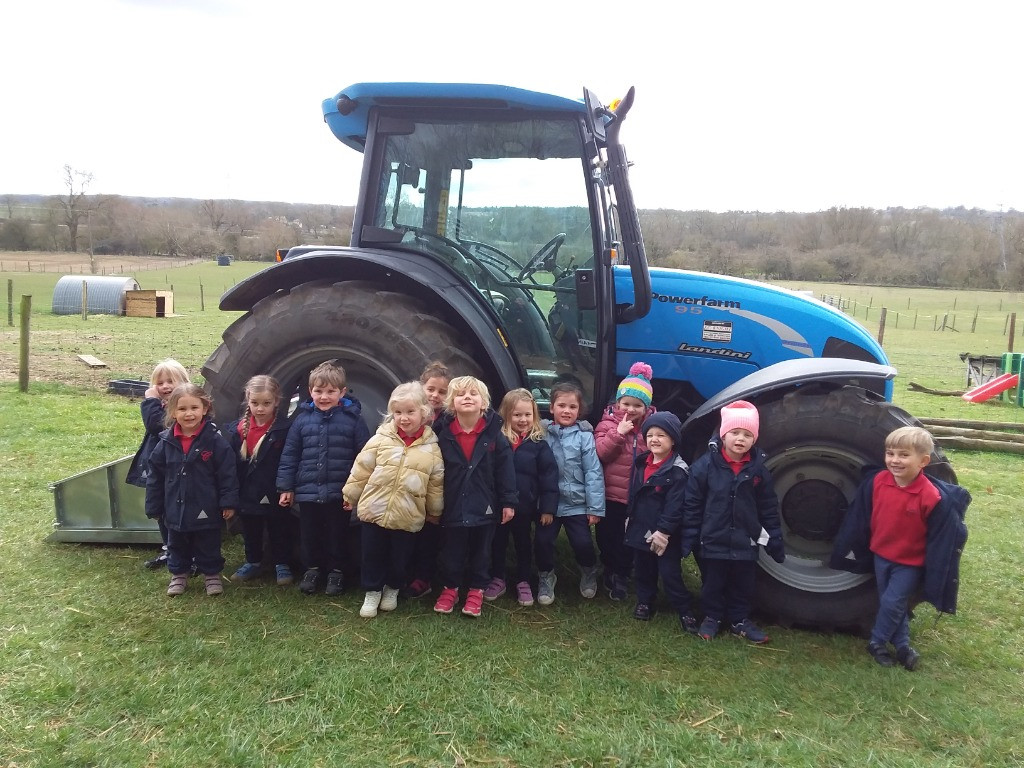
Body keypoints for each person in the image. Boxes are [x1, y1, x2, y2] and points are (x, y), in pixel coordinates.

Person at [830, 426, 970, 671]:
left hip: (909, 562)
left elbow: (941, 537)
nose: (894, 460)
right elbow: (860, 516)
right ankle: (903, 646)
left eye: (904, 455)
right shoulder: (877, 482)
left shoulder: (931, 496)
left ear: (923, 461)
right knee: (893, 602)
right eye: (890, 453)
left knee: (894, 602)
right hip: (880, 556)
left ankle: (877, 641)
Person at [680, 400, 784, 644]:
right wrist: (690, 537)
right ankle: (712, 616)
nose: (740, 439)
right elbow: (693, 505)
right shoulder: (704, 467)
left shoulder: (758, 470)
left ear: (754, 439)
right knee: (712, 582)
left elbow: (768, 506)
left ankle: (739, 620)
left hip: (745, 539)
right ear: (723, 434)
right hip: (713, 538)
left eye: (747, 434)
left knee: (743, 583)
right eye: (735, 432)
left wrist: (775, 537)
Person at [344, 382, 444, 618]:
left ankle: (392, 588)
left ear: (424, 413)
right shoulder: (381, 439)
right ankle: (372, 591)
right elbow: (362, 468)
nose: (404, 418)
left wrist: (435, 511)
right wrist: (350, 494)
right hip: (374, 510)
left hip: (407, 514)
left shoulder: (432, 449)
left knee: (400, 557)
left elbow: (435, 484)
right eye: (398, 413)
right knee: (372, 553)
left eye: (410, 412)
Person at [276, 361, 370, 596]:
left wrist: (358, 491)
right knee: (310, 534)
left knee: (337, 534)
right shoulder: (301, 421)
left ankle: (337, 572)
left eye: (330, 391)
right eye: (319, 391)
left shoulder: (354, 421)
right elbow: (290, 454)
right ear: (310, 392)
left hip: (340, 492)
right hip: (308, 491)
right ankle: (312, 569)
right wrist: (286, 486)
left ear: (342, 392)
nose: (324, 396)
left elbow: (364, 458)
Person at [432, 376, 518, 618]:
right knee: (452, 550)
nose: (467, 397)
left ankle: (476, 591)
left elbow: (505, 470)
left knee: (482, 551)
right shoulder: (441, 435)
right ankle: (450, 589)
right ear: (451, 404)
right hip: (453, 503)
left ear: (484, 403)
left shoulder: (494, 435)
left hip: (485, 504)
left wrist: (509, 501)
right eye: (460, 394)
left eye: (473, 394)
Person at [145, 383, 239, 596]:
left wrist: (228, 502)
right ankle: (179, 574)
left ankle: (212, 574)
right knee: (176, 542)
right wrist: (154, 505)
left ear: (205, 408)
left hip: (206, 505)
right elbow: (155, 477)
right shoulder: (165, 443)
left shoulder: (215, 441)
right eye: (182, 409)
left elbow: (227, 474)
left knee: (208, 542)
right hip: (174, 506)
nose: (189, 414)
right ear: (172, 412)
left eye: (194, 408)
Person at [484, 389, 559, 607]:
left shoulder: (539, 445)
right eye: (517, 415)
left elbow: (549, 477)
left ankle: (524, 580)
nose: (523, 420)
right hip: (499, 506)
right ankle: (498, 578)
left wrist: (547, 508)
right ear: (506, 415)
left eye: (527, 414)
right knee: (497, 543)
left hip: (526, 507)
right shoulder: (497, 442)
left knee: (523, 543)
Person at [624, 412, 698, 634]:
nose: (654, 440)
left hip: (664, 535)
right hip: (640, 527)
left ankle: (684, 609)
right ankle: (645, 601)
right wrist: (630, 517)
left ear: (673, 440)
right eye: (650, 435)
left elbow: (675, 506)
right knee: (643, 569)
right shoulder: (640, 464)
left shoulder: (677, 471)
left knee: (669, 573)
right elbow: (633, 494)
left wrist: (664, 532)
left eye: (661, 435)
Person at [536, 380, 605, 605]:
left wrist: (594, 508)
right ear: (552, 407)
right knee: (543, 542)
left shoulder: (585, 436)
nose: (567, 411)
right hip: (549, 505)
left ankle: (588, 571)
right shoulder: (542, 433)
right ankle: (546, 576)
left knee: (583, 543)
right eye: (562, 405)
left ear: (579, 410)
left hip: (576, 503)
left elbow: (593, 472)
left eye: (572, 407)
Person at [223, 375, 295, 586]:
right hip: (248, 492)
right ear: (248, 400)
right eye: (255, 403)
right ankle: (253, 562)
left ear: (277, 402)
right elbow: (233, 465)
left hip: (274, 490)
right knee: (251, 529)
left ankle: (282, 564)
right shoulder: (238, 430)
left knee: (279, 528)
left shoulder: (284, 429)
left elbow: (288, 460)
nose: (260, 409)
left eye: (266, 403)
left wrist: (286, 487)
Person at [595, 362, 656, 601]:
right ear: (618, 403)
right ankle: (608, 566)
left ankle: (621, 574)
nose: (630, 409)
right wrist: (618, 433)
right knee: (607, 535)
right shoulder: (608, 424)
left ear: (646, 407)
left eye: (637, 405)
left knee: (628, 538)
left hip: (635, 496)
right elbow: (602, 452)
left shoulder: (651, 428)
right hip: (611, 494)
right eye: (626, 403)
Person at [127, 358, 190, 570]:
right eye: (160, 382)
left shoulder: (181, 408)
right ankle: (169, 550)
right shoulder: (161, 405)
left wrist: (150, 401)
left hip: (175, 469)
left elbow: (156, 425)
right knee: (161, 512)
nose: (165, 386)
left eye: (171, 381)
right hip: (159, 468)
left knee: (176, 512)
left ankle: (186, 555)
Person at [404, 361, 452, 598]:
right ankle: (403, 572)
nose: (435, 395)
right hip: (411, 480)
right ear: (421, 387)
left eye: (442, 392)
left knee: (430, 533)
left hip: (435, 483)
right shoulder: (409, 413)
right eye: (431, 389)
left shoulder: (449, 421)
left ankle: (424, 577)